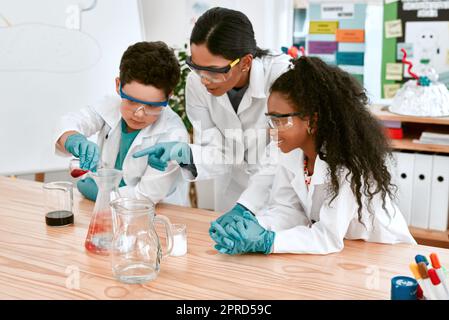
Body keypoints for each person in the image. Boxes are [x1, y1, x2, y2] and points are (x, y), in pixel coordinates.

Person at [209, 56, 416, 255]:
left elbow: (327, 236)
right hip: (347, 250)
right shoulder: (291, 153)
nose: (273, 130)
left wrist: (268, 241)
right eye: (271, 120)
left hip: (384, 252)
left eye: (280, 120)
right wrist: (251, 227)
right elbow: (289, 210)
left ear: (311, 120)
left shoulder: (347, 165)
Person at [133, 7, 291, 213]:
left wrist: (250, 204)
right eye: (195, 67)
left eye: (214, 71)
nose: (204, 79)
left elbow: (285, 156)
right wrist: (186, 153)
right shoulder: (196, 83)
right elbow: (219, 151)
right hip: (231, 193)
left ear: (245, 63)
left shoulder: (282, 77)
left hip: (279, 197)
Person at [54, 41, 189, 205]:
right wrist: (73, 139)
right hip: (108, 210)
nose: (139, 114)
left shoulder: (173, 134)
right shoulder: (109, 105)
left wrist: (100, 192)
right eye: (132, 101)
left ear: (168, 97)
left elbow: (145, 196)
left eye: (152, 105)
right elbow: (71, 123)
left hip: (158, 215)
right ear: (118, 85)